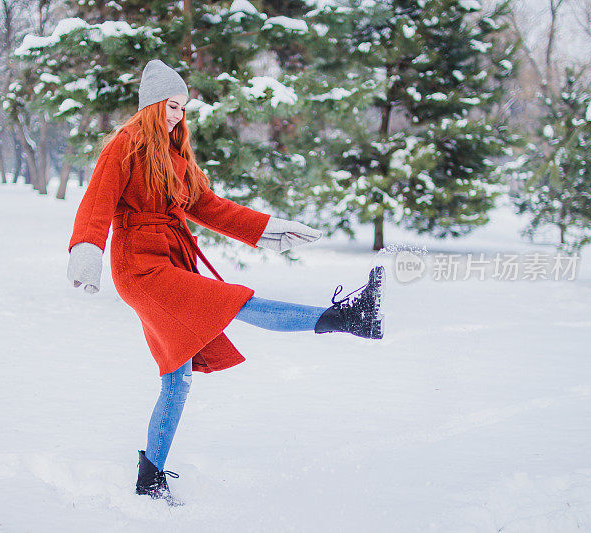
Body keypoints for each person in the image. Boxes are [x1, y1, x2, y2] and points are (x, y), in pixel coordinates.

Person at [66, 59, 385, 506]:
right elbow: (97, 202)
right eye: (170, 106)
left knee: (177, 377)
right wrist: (86, 252)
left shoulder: (176, 158)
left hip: (170, 260)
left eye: (182, 108)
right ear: (151, 106)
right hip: (139, 267)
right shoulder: (124, 146)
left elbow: (211, 208)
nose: (177, 115)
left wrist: (271, 227)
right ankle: (348, 317)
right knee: (232, 302)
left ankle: (150, 477)